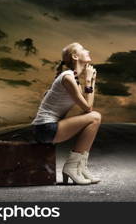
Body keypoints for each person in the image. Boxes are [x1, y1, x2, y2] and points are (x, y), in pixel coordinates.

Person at [31, 42, 102, 185]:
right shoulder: (67, 77)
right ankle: (71, 167)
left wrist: (91, 82)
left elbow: (88, 107)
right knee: (95, 117)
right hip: (45, 129)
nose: (87, 50)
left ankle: (80, 167)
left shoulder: (74, 80)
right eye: (83, 49)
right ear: (75, 56)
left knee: (94, 118)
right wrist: (88, 80)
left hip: (48, 128)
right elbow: (88, 109)